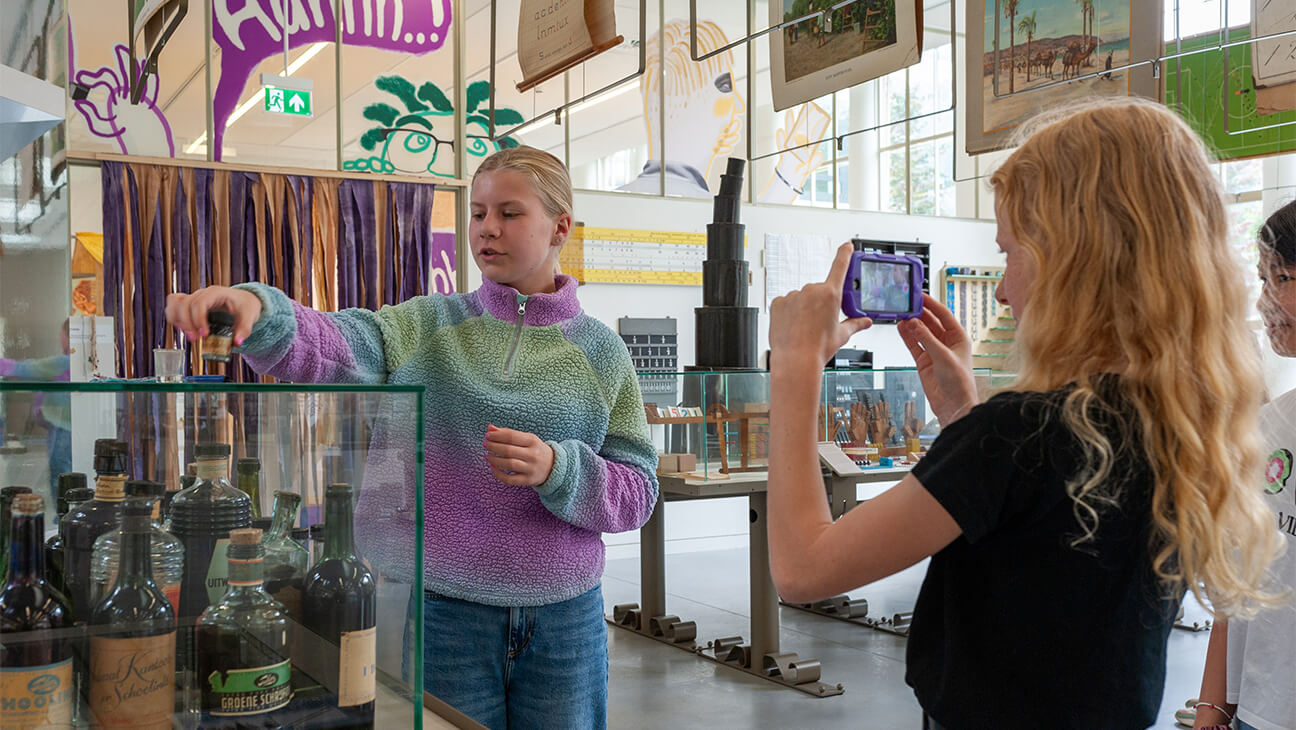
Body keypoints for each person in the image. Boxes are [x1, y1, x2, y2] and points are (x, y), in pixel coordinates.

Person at [765, 98, 1282, 729]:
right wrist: (963, 415)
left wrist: (794, 371)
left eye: (1010, 254)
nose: (1003, 289)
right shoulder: (1173, 424)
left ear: (1076, 260)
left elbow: (802, 568)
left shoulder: (1017, 434)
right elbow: (1038, 547)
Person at [165, 146, 659, 729]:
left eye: (509, 213)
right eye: (477, 214)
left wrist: (561, 469)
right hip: (439, 617)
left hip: (565, 624)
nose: (487, 230)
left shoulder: (602, 352)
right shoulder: (424, 325)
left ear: (560, 226)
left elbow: (638, 492)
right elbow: (337, 345)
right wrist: (260, 310)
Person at [1190, 199, 1296, 730]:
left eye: (1282, 276)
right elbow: (1244, 581)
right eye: (1262, 277)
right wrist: (1214, 708)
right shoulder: (1272, 426)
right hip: (1261, 709)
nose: (1266, 300)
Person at [0, 319, 72, 501]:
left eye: (61, 335)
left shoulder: (62, 363)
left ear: (66, 337)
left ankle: (62, 518)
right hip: (68, 425)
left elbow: (24, 369)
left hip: (64, 427)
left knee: (60, 472)